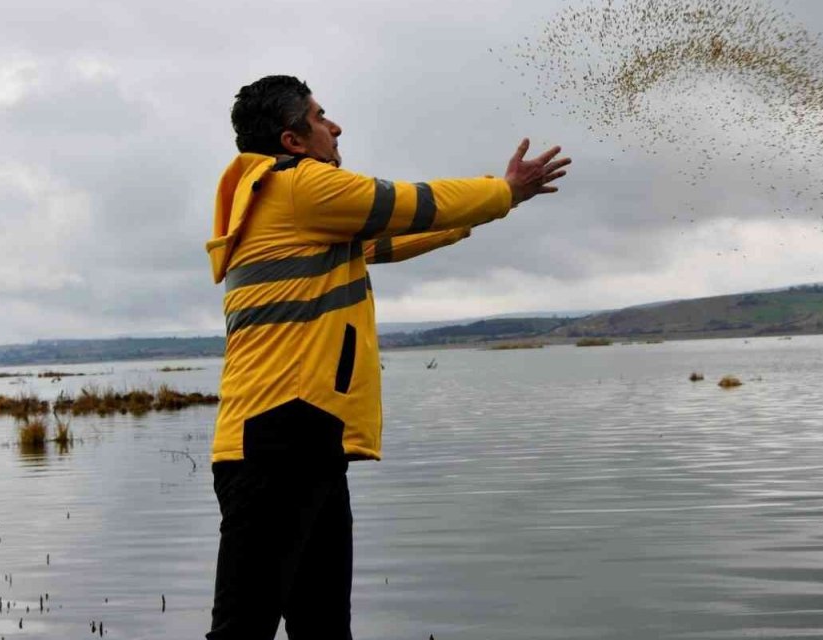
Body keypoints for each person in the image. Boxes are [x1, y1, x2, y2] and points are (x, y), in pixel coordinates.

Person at [204, 75, 569, 639]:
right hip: (274, 440)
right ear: (293, 140)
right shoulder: (299, 188)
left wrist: (476, 215)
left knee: (324, 629)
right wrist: (504, 192)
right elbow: (407, 202)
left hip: (309, 437)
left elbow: (389, 238)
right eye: (321, 116)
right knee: (242, 630)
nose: (336, 125)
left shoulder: (297, 211)